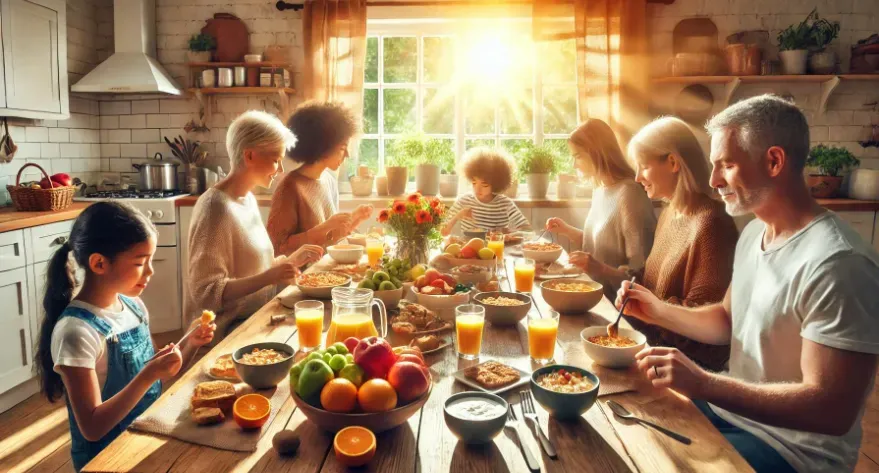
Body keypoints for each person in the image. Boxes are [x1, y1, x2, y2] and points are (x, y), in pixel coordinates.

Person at [618, 95, 879, 473]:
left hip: (792, 450)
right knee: (632, 425)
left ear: (774, 161)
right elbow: (727, 319)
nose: (713, 180)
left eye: (727, 165)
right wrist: (658, 311)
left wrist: (704, 383)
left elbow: (831, 410)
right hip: (736, 415)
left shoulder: (839, 263)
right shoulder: (755, 232)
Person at [34, 202, 216, 472]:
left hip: (146, 438)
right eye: (140, 262)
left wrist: (191, 343)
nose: (150, 271)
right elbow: (93, 427)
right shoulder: (76, 332)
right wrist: (147, 375)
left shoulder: (134, 306)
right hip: (107, 460)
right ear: (99, 263)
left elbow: (159, 375)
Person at [187, 110, 324, 337]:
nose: (280, 170)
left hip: (257, 320)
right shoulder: (215, 208)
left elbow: (255, 269)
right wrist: (272, 276)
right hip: (222, 335)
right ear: (249, 156)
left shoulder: (247, 199)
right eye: (275, 160)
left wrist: (290, 261)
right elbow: (206, 292)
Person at [621, 116, 738, 371]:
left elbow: (708, 334)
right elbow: (654, 280)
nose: (638, 177)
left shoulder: (712, 223)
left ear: (673, 162)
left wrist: (652, 310)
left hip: (689, 371)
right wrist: (632, 289)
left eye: (644, 166)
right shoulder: (670, 212)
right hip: (652, 352)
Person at [545, 118, 656, 293]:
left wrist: (598, 268)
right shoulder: (600, 190)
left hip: (616, 305)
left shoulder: (630, 194)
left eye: (578, 156)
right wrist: (567, 230)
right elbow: (601, 250)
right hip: (591, 292)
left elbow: (640, 276)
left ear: (597, 152)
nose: (574, 165)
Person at [268, 101, 373, 256]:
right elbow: (277, 248)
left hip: (324, 274)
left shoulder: (328, 180)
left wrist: (352, 221)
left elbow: (330, 241)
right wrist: (325, 227)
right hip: (300, 278)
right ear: (322, 147)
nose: (347, 155)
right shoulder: (289, 188)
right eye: (342, 148)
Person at [441, 147, 531, 236]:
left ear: (496, 183)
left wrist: (510, 234)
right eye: (474, 183)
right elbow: (443, 231)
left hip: (496, 249)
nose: (477, 189)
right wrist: (458, 216)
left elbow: (527, 230)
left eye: (484, 185)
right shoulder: (464, 201)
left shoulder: (504, 204)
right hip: (469, 249)